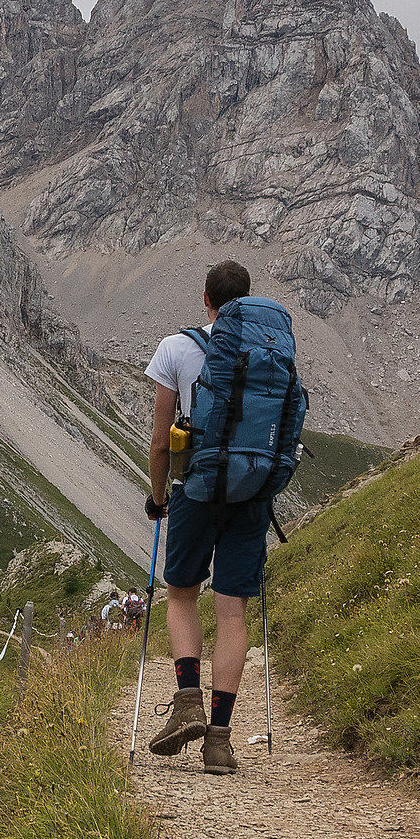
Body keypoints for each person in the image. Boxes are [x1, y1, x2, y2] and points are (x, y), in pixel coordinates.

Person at [141, 261, 307, 774]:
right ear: (246, 300)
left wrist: (157, 496)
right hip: (252, 494)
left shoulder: (176, 348)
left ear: (206, 296)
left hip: (193, 488)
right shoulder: (270, 352)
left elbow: (160, 437)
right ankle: (220, 738)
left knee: (182, 594)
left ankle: (187, 696)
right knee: (232, 612)